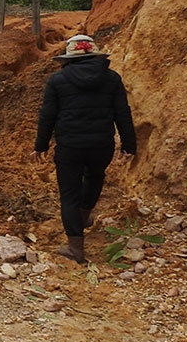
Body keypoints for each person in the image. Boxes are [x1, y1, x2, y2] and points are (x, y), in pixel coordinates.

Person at [33, 34, 136, 263]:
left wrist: (40, 146)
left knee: (69, 194)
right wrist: (129, 145)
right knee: (95, 176)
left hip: (70, 146)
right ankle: (84, 216)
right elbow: (123, 114)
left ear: (69, 58)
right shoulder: (112, 79)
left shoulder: (57, 81)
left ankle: (75, 247)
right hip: (102, 145)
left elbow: (47, 116)